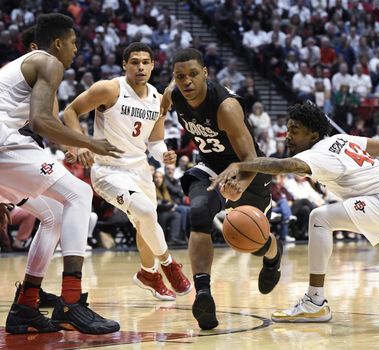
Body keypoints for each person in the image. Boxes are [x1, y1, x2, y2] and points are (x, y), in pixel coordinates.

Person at [209, 101, 379, 322]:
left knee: (320, 218)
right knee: (321, 218)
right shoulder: (342, 140)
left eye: (295, 131)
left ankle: (314, 302)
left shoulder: (318, 154)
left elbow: (282, 166)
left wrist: (241, 165)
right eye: (288, 130)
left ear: (313, 134)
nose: (287, 136)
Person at [1, 13, 122, 334]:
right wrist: (89, 141)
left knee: (54, 213)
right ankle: (71, 302)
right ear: (57, 43)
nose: (76, 50)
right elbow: (42, 122)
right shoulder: (48, 62)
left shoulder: (20, 68)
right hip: (2, 143)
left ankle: (26, 305)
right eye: (73, 43)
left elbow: (44, 121)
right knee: (79, 194)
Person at [161, 48, 282, 330]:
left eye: (193, 74)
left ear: (205, 73)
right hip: (210, 167)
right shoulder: (173, 93)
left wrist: (238, 184)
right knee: (199, 212)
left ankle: (272, 255)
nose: (187, 81)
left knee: (252, 240)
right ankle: (203, 292)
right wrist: (162, 148)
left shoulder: (225, 107)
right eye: (180, 76)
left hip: (248, 166)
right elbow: (160, 115)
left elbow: (251, 159)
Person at [63, 42, 192, 302]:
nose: (140, 66)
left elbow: (154, 142)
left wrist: (163, 153)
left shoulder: (157, 98)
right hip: (109, 171)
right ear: (124, 65)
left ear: (153, 65)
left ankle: (148, 273)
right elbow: (71, 111)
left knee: (146, 222)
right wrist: (81, 144)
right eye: (134, 62)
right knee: (145, 212)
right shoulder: (109, 89)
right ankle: (168, 264)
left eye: (146, 62)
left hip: (140, 170)